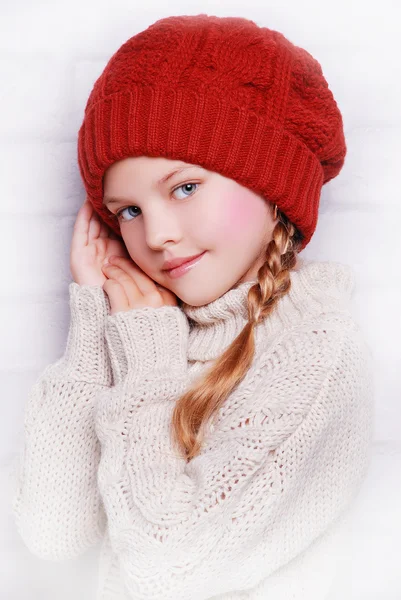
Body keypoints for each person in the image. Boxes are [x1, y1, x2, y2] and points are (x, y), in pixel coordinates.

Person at [11, 14, 375, 600]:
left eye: (185, 188)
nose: (155, 235)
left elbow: (169, 572)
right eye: (127, 210)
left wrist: (147, 359)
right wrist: (92, 331)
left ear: (270, 182)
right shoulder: (150, 326)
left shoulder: (314, 353)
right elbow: (55, 536)